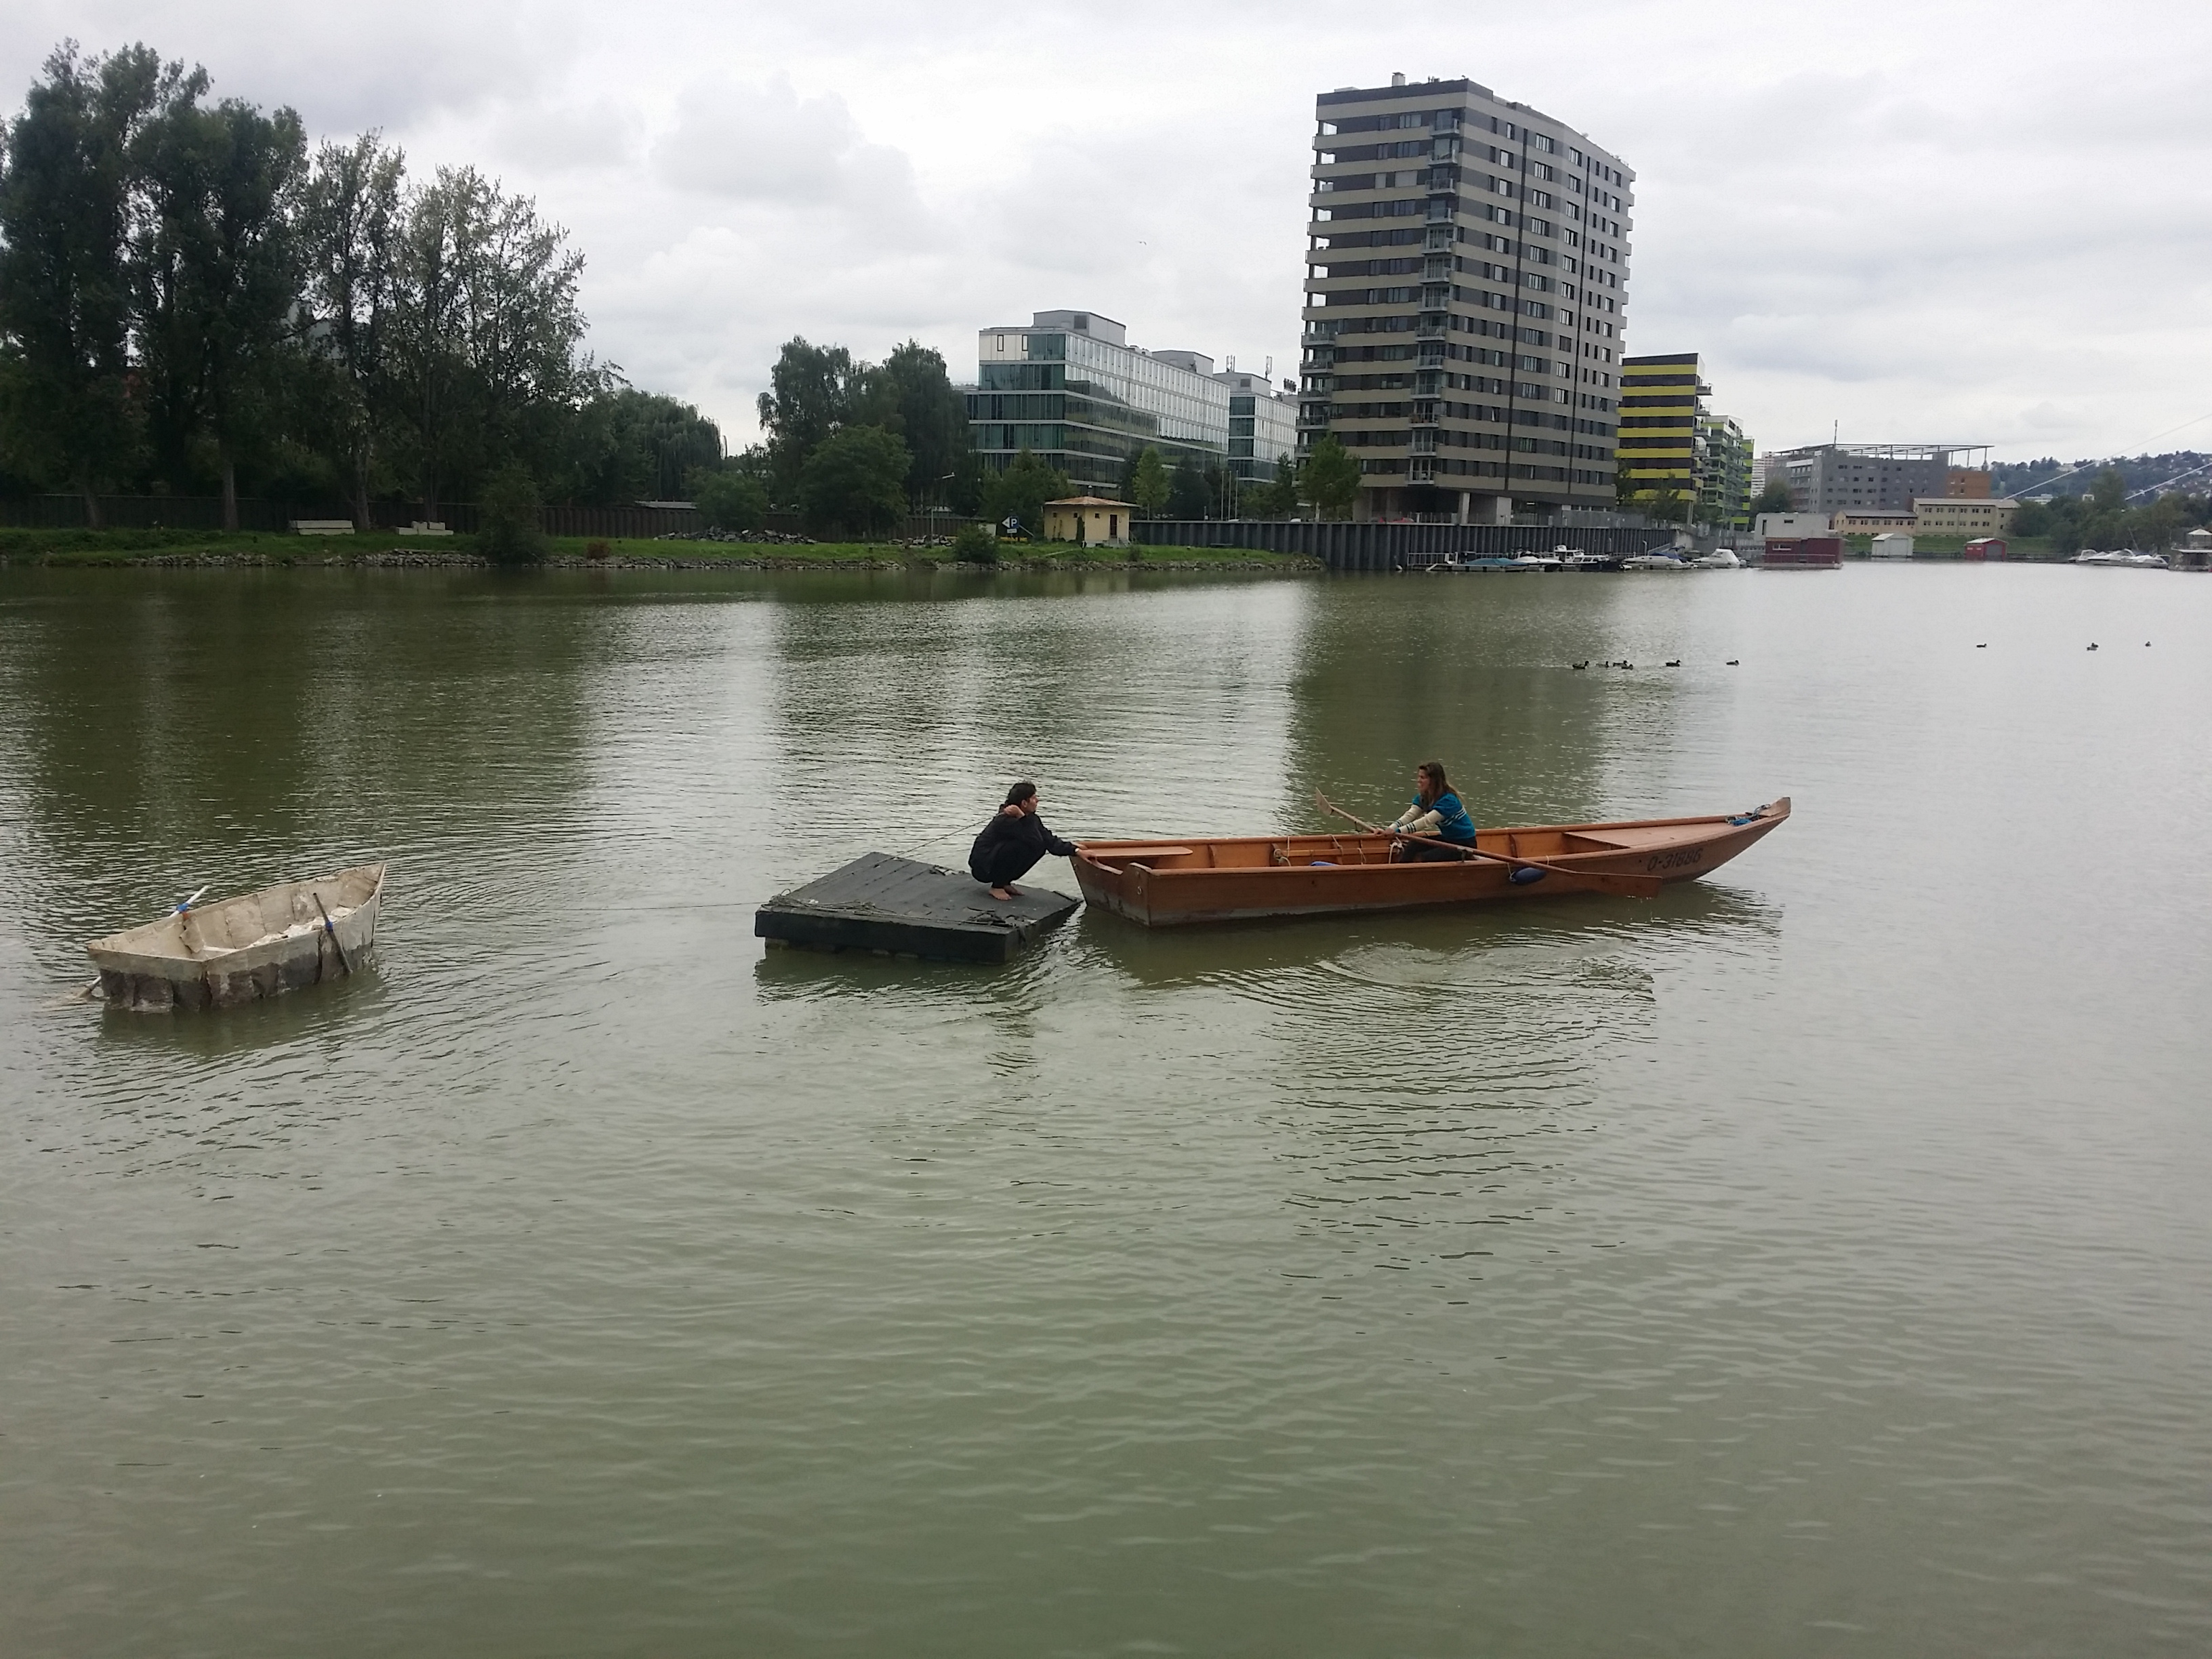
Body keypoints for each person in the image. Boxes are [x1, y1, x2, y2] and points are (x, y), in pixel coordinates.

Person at [968, 780, 1076, 899]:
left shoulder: (1031, 819)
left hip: (992, 863)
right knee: (1022, 845)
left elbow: (1048, 839)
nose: (1038, 801)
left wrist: (1075, 850)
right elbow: (1033, 840)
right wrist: (1021, 816)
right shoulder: (1005, 820)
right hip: (983, 868)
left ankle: (1004, 882)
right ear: (1024, 803)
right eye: (1034, 798)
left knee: (1039, 846)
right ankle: (997, 886)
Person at [1386, 761, 1478, 862]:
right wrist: (1390, 829)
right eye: (1419, 777)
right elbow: (1410, 815)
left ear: (1434, 781)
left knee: (1427, 858)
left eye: (1423, 778)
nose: (1418, 781)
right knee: (1413, 846)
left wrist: (1397, 832)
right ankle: (1400, 874)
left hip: (1464, 843)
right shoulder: (1424, 798)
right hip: (1447, 839)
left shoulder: (1449, 800)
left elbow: (1426, 821)